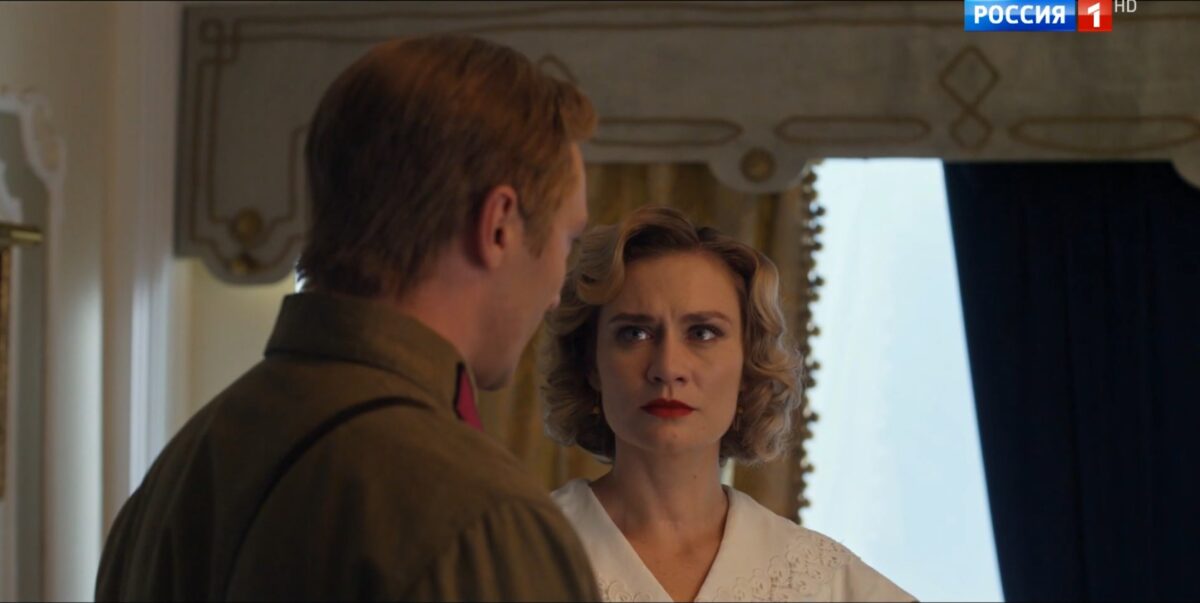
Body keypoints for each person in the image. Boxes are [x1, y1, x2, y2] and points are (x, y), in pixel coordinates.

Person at [96, 35, 600, 601]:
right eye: (568, 240)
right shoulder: (485, 520)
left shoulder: (167, 487)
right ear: (500, 224)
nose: (555, 294)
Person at [542, 206, 914, 602]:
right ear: (591, 364)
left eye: (702, 333)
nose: (668, 368)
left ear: (748, 366)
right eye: (635, 333)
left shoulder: (833, 585)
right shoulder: (521, 553)